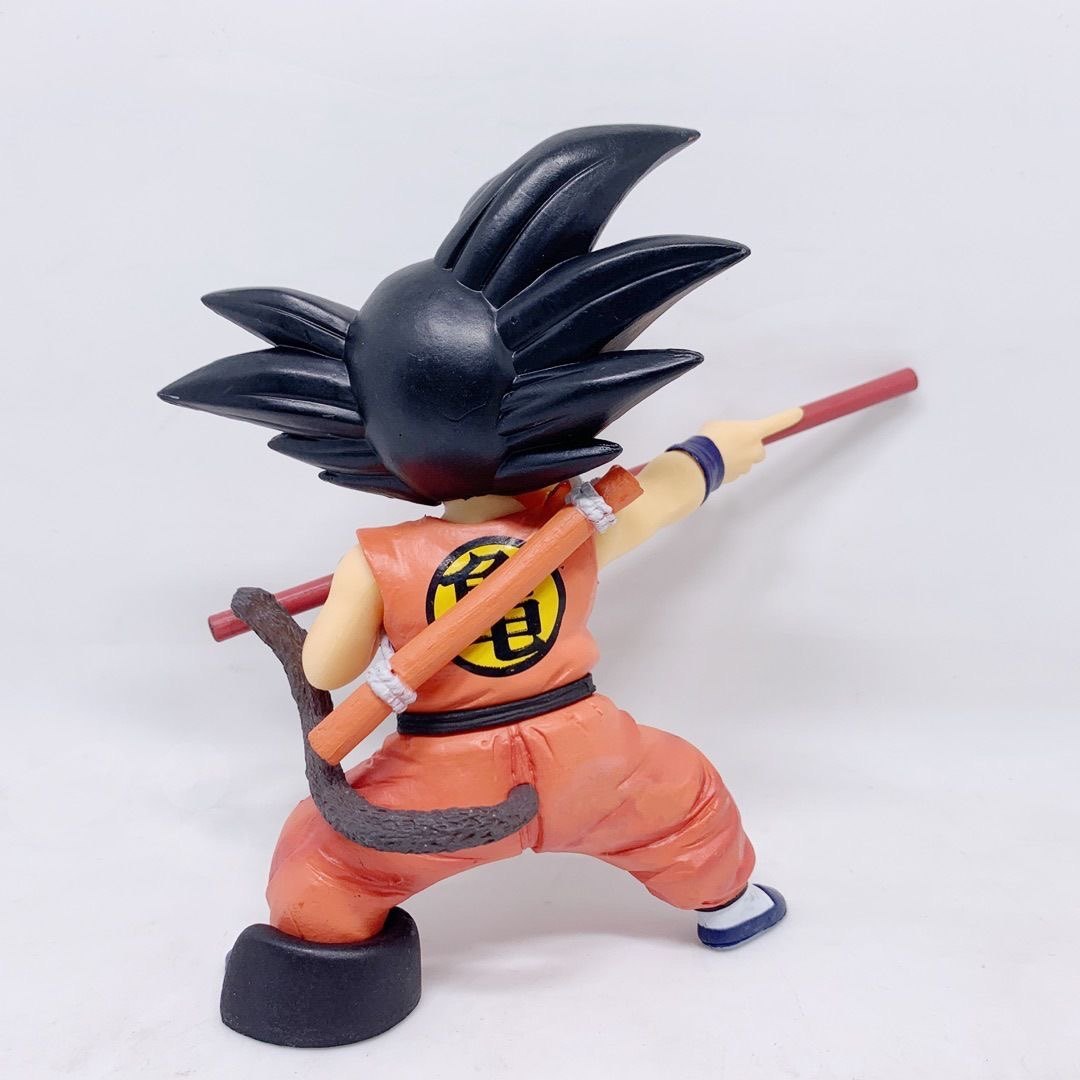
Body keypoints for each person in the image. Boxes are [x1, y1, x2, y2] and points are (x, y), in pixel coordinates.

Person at [161, 125, 792, 1047]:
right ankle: (730, 903)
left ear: (364, 433)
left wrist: (354, 616)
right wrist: (721, 450)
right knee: (683, 799)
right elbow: (660, 495)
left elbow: (332, 666)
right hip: (590, 754)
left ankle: (326, 971)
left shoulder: (379, 557)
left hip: (441, 784)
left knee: (328, 861)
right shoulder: (572, 523)